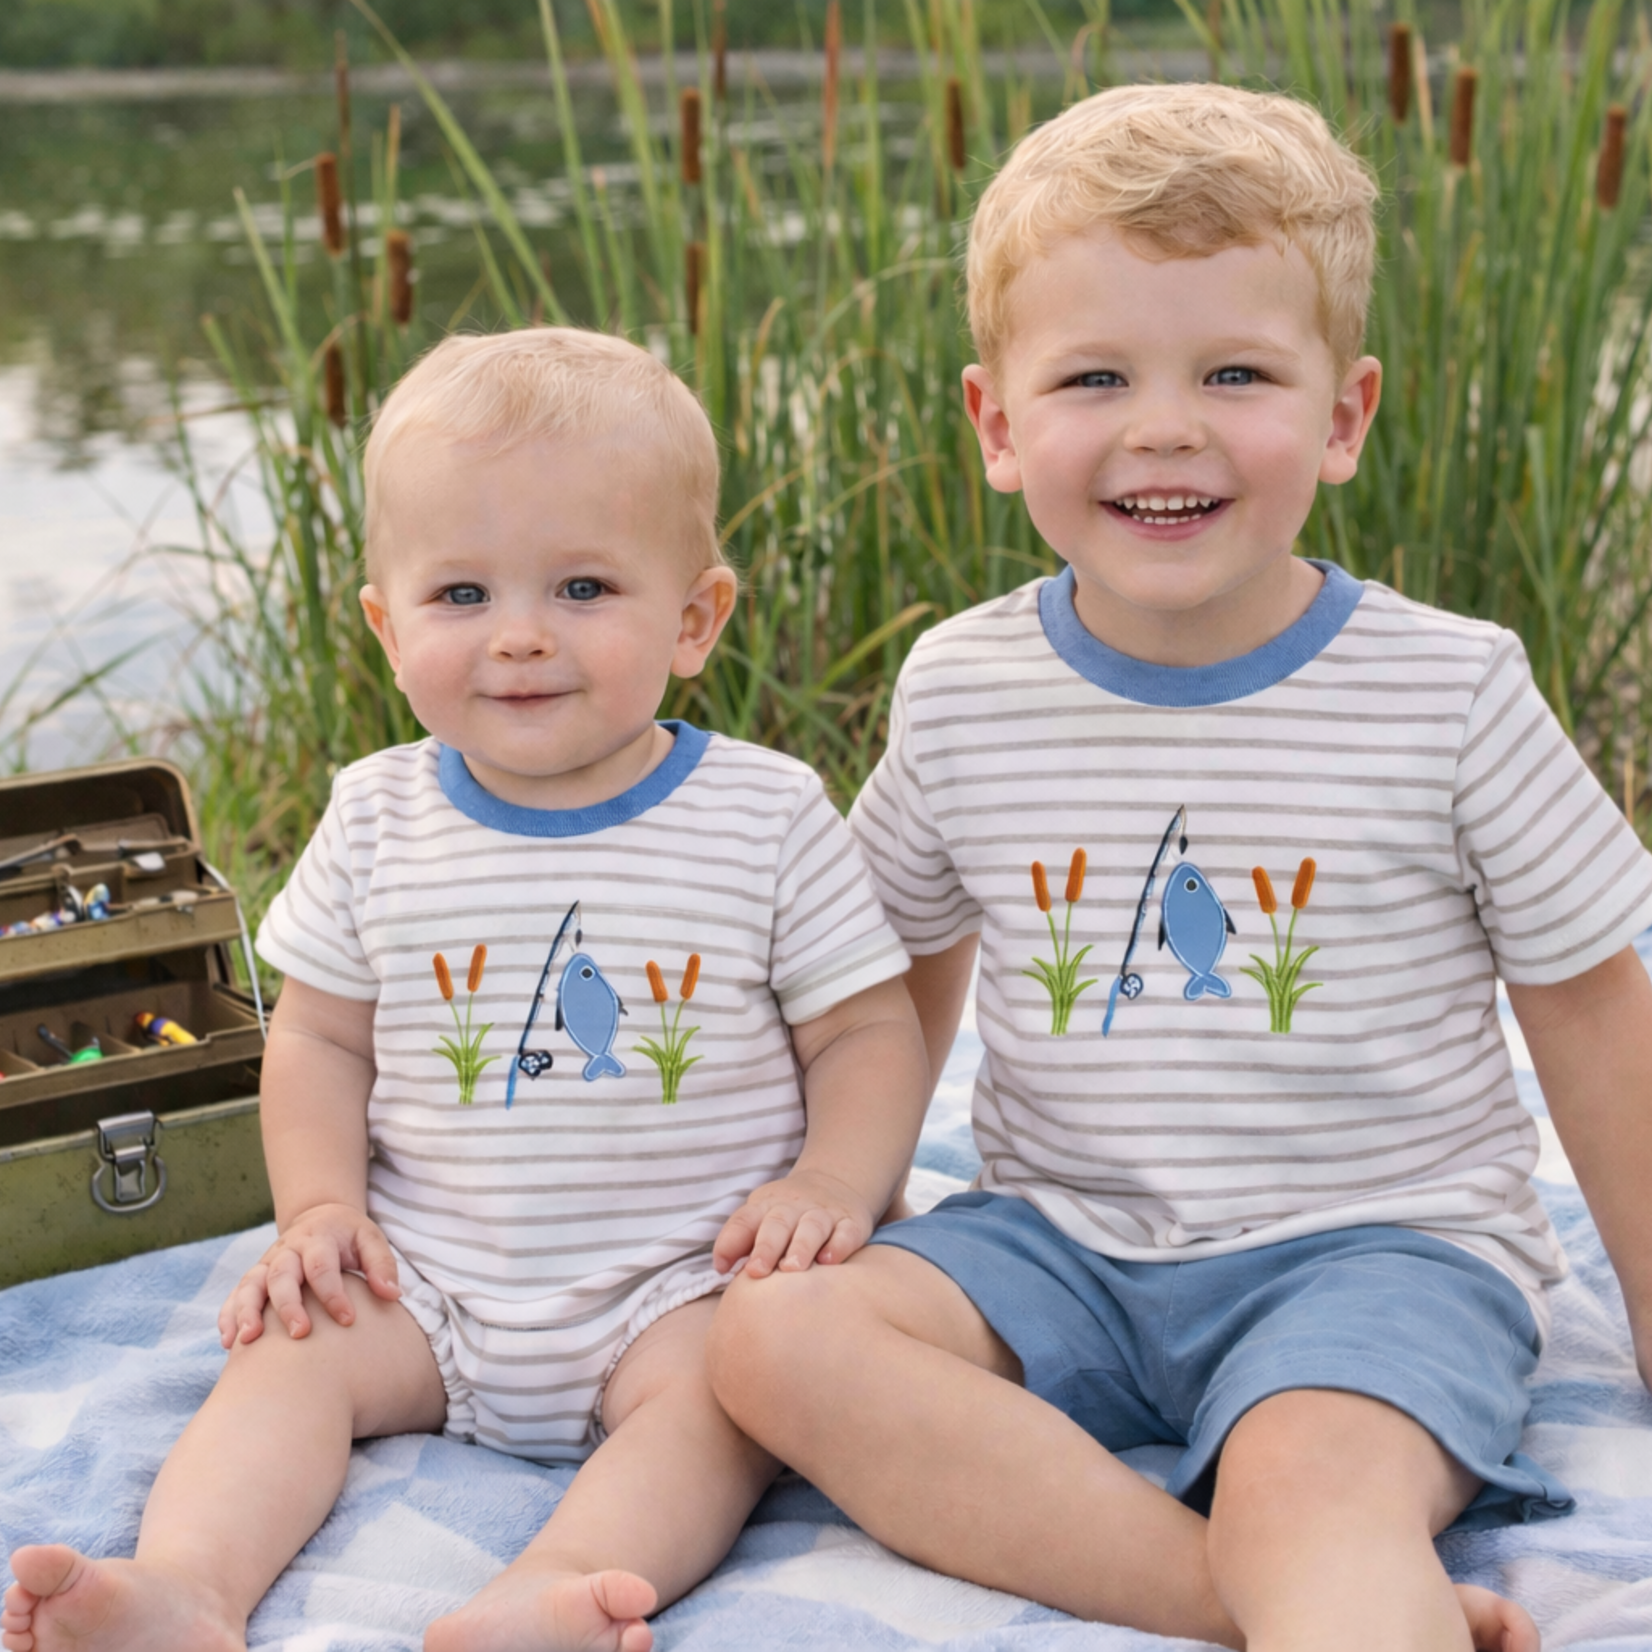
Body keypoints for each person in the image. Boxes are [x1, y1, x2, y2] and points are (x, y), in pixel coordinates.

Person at [708, 82, 1652, 1652]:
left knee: (1307, 1488)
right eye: (1094, 376)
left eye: (1234, 372)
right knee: (774, 1340)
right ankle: (1220, 1600)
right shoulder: (963, 684)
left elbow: (1592, 1008)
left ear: (1343, 416)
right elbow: (894, 976)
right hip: (1058, 1243)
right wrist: (842, 1190)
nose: (1165, 426)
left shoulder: (1451, 689)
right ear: (999, 429)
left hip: (1376, 1255)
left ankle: (1320, 1585)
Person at [2, 327, 928, 1652]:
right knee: (284, 1362)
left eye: (584, 587)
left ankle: (546, 1594)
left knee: (727, 1414)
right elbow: (319, 1039)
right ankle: (187, 1588)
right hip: (426, 1283)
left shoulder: (764, 814)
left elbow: (866, 1034)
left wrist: (834, 1184)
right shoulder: (376, 816)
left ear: (693, 619)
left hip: (677, 1287)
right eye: (461, 598)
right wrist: (318, 1209)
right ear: (386, 627)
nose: (520, 639)